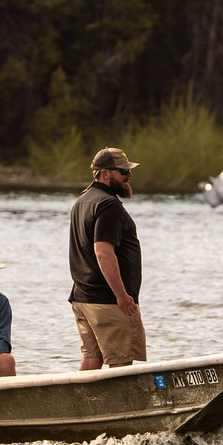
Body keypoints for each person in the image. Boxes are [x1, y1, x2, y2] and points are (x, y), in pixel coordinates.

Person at [68, 147, 146, 370]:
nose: (128, 175)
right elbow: (102, 252)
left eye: (129, 170)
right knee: (121, 364)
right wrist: (122, 296)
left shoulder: (82, 201)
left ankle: (76, 395)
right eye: (123, 171)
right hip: (108, 302)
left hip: (83, 298)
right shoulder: (109, 205)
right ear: (105, 173)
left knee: (91, 360)